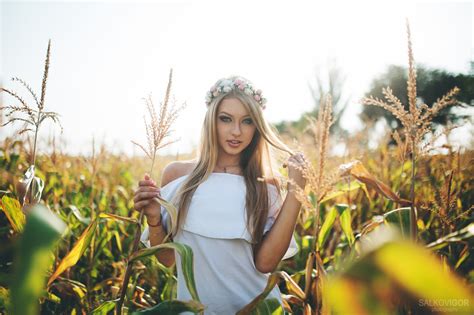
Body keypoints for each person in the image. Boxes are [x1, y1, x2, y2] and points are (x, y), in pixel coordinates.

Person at [134, 75, 308, 314]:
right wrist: (154, 217)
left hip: (257, 310)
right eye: (226, 119)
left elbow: (265, 263)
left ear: (257, 127)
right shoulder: (177, 176)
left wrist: (296, 193)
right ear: (211, 121)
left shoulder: (265, 185)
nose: (236, 131)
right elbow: (167, 259)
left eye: (247, 121)